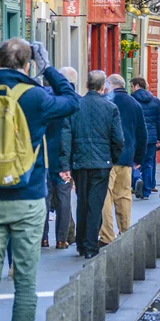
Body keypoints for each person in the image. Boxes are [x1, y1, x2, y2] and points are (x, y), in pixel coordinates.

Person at [0, 38, 79, 321]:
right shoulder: (36, 96)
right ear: (28, 65)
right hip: (28, 197)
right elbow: (71, 101)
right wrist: (49, 69)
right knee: (26, 284)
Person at [59, 70, 124, 259]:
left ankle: (81, 243)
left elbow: (66, 136)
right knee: (96, 204)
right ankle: (90, 245)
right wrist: (113, 157)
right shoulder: (110, 108)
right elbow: (118, 139)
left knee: (82, 201)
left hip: (80, 161)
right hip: (101, 162)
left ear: (86, 85)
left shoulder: (75, 106)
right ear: (103, 87)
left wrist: (66, 162)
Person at [99, 75, 147, 244]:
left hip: (106, 156)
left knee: (105, 196)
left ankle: (107, 236)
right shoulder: (134, 103)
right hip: (127, 157)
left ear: (110, 84)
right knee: (124, 195)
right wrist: (138, 157)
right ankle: (125, 231)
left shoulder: (105, 100)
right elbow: (142, 132)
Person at [42, 67, 81, 250]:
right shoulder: (70, 103)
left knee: (45, 198)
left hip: (43, 158)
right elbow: (69, 135)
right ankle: (61, 239)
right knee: (64, 199)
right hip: (63, 159)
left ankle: (42, 238)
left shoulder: (42, 100)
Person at [130, 77, 160, 199]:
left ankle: (137, 179)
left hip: (136, 137)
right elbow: (159, 120)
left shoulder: (132, 100)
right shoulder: (155, 101)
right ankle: (146, 191)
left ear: (137, 86)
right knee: (149, 163)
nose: (131, 89)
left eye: (132, 86)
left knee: (133, 162)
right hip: (151, 137)